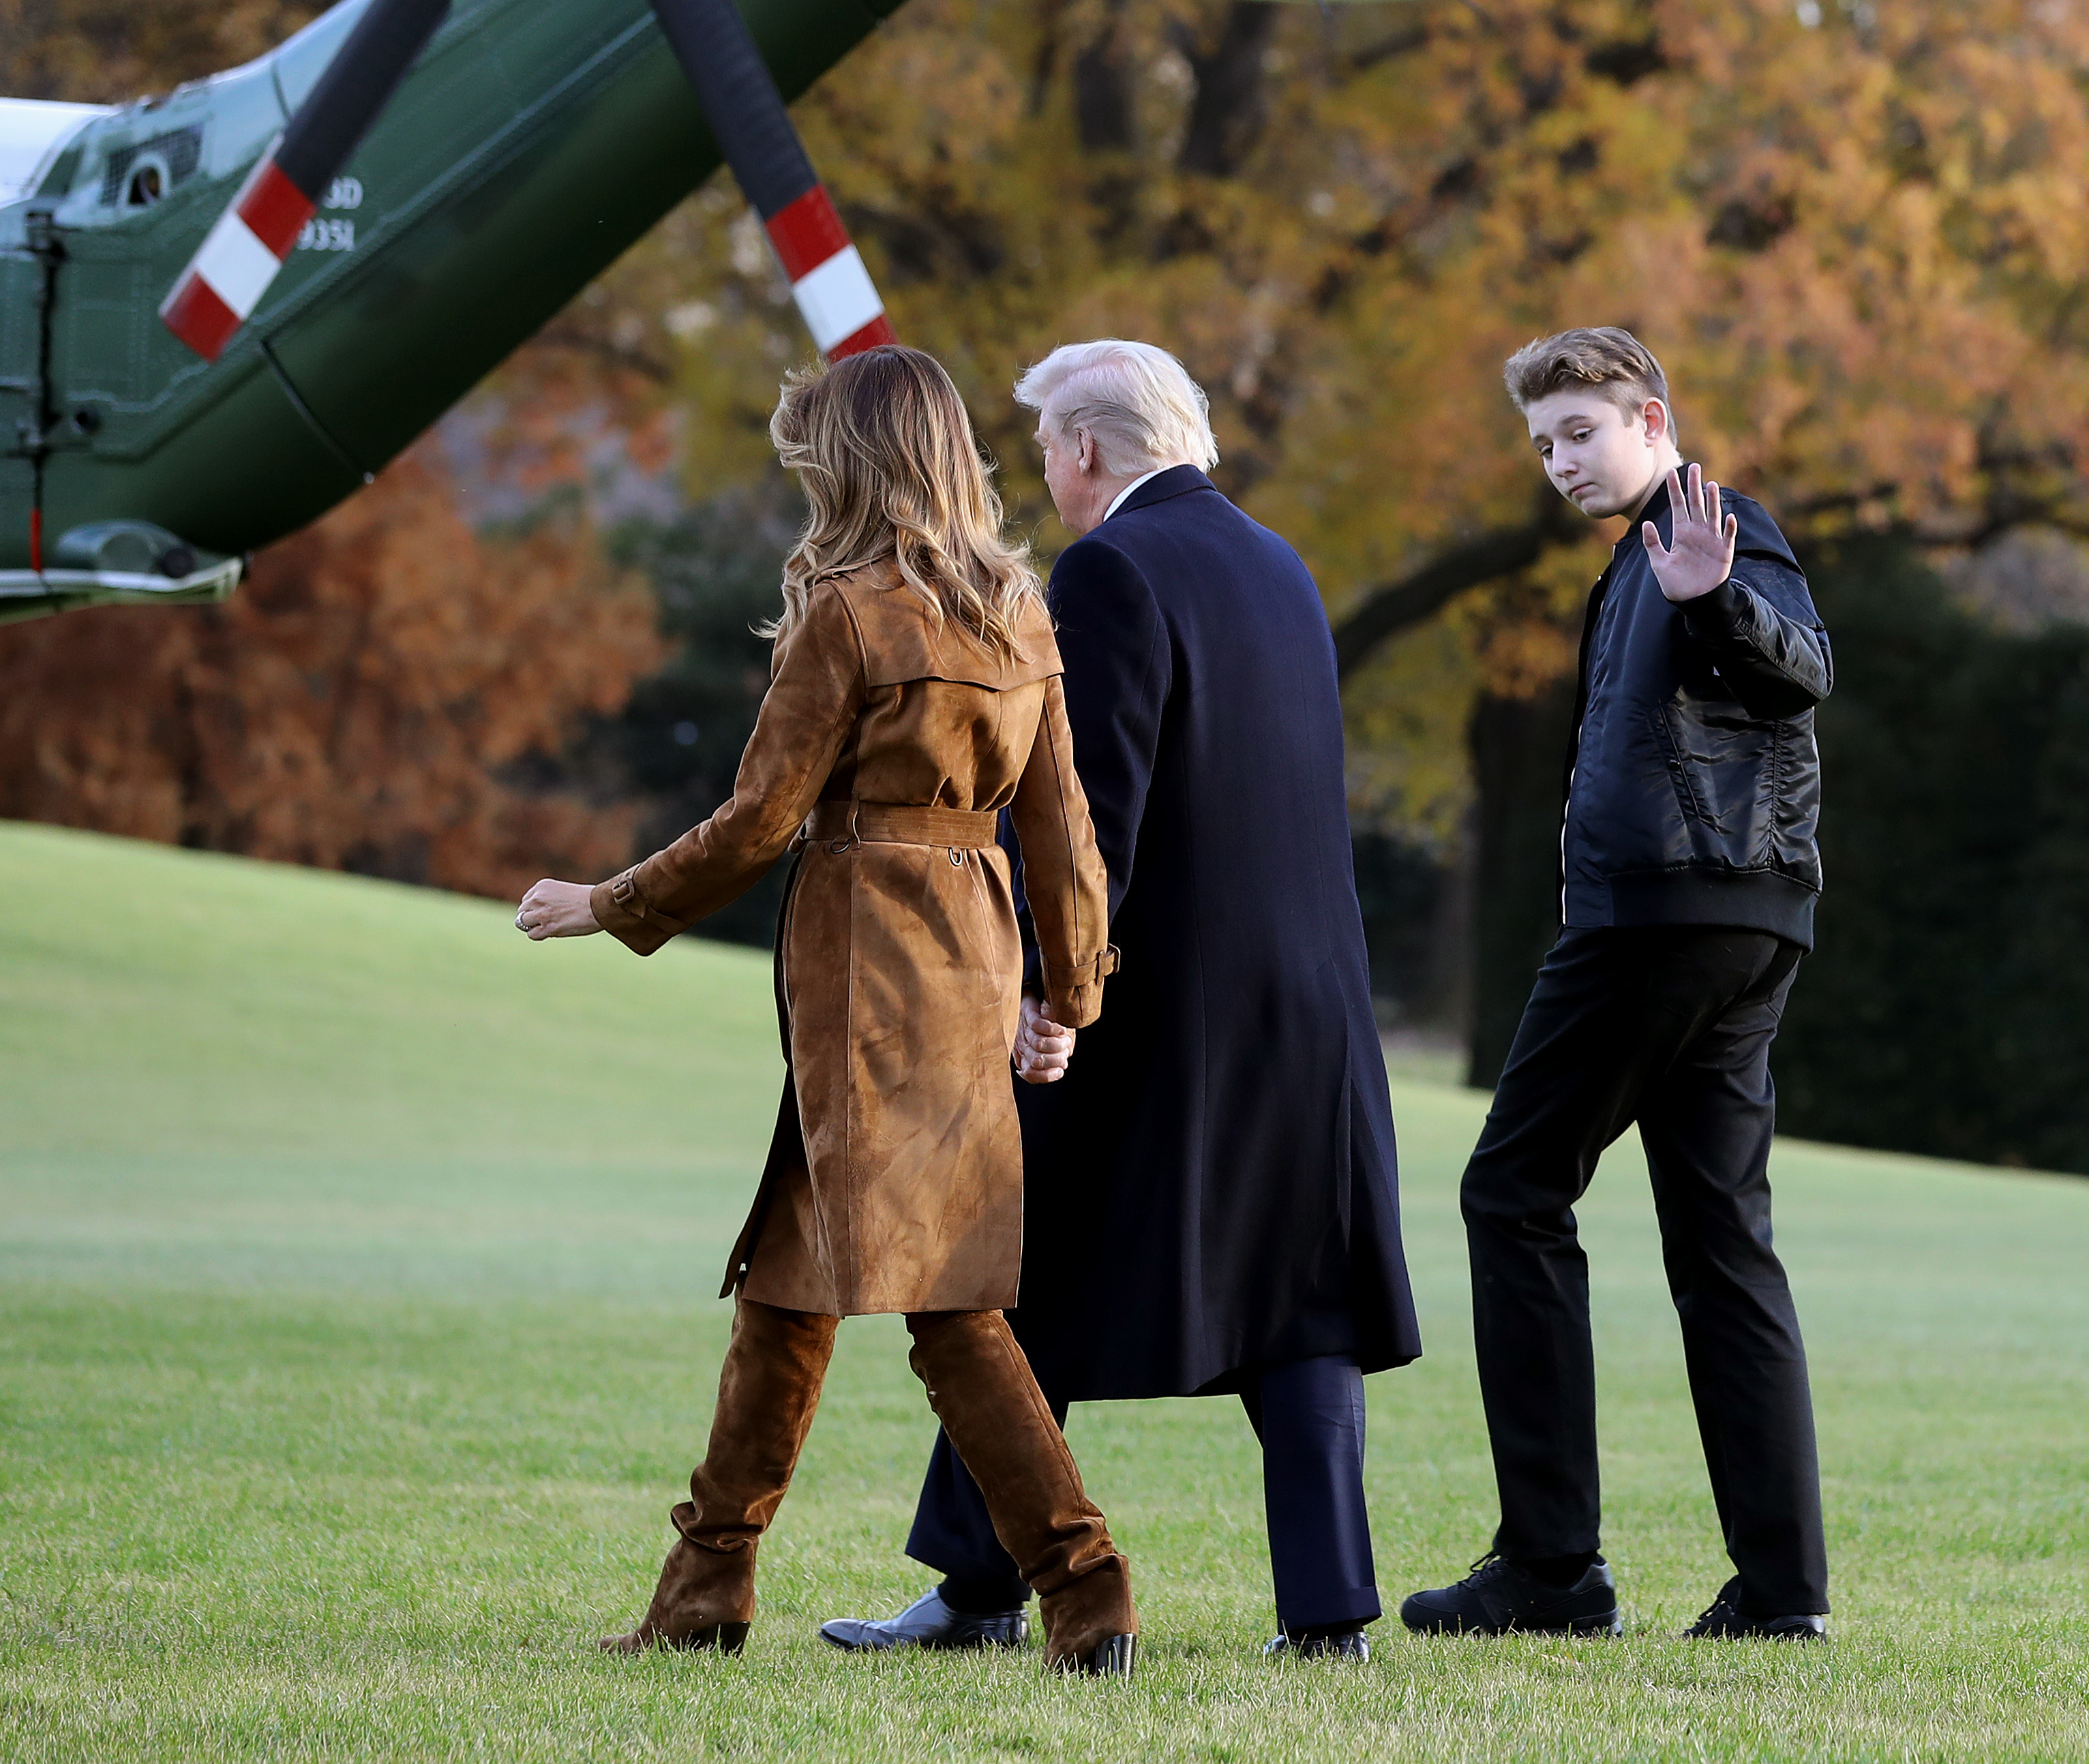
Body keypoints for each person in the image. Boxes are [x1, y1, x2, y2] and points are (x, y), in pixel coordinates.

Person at [513, 345, 1140, 1675]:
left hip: (864, 970)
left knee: (952, 1312)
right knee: (788, 1294)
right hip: (967, 968)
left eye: (813, 459)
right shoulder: (1019, 612)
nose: (802, 480)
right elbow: (1064, 829)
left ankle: (1087, 1591)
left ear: (853, 465)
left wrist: (606, 902)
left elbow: (759, 821)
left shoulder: (846, 614)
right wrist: (1067, 992)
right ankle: (704, 1593)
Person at [819, 337, 1421, 1662]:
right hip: (1310, 1007)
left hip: (1156, 1006)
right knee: (1301, 1301)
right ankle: (1328, 1618)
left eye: (1046, 451)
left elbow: (1094, 815)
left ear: (1088, 450)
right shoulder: (1282, 566)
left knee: (1027, 1276)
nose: (1045, 476)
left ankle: (979, 1590)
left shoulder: (1110, 570)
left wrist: (1045, 985)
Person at [1401, 326, 1834, 1643]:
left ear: (1652, 418)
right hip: (1742, 923)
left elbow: (1802, 666)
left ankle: (1551, 1573)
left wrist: (1714, 595)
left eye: (1582, 432)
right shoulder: (1644, 557)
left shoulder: (1710, 530)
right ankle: (1780, 1598)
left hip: (1662, 922)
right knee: (1721, 1245)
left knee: (1512, 1191)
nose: (1561, 462)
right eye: (1544, 444)